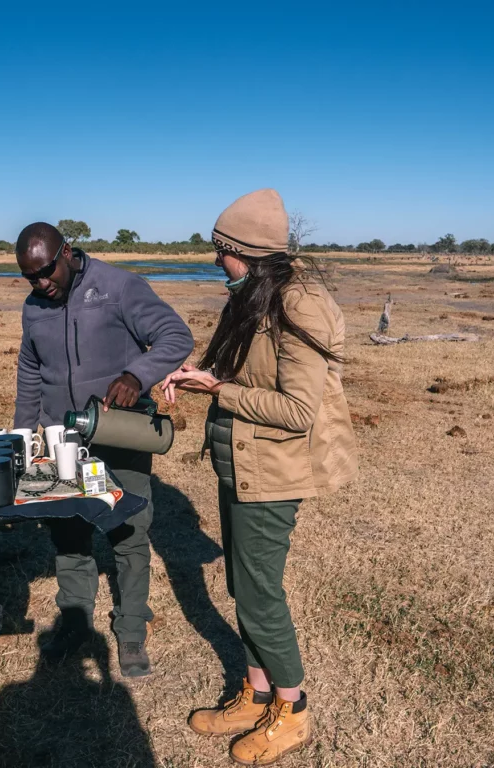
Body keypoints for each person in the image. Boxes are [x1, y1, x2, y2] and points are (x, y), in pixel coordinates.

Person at [162, 189, 357, 764]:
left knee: (260, 594)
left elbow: (298, 410)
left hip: (272, 473)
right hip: (239, 467)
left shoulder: (300, 305)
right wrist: (201, 373)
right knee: (243, 587)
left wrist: (220, 391)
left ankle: (292, 712)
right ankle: (256, 692)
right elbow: (246, 369)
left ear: (245, 251)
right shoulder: (256, 295)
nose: (215, 261)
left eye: (220, 251)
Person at [13, 222, 193, 677]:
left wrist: (137, 375)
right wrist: (20, 439)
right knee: (69, 532)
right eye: (30, 277)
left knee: (129, 532)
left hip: (118, 432)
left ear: (67, 253)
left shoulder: (118, 287)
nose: (41, 284)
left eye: (46, 271)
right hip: (63, 439)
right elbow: (30, 372)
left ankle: (131, 629)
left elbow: (176, 336)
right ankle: (75, 623)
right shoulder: (34, 308)